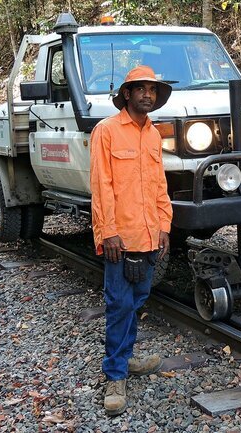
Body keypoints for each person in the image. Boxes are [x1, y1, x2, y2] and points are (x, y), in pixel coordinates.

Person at [90, 65, 173, 415]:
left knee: (138, 300)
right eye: (140, 89)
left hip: (149, 233)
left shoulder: (153, 134)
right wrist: (107, 230)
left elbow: (158, 184)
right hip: (119, 237)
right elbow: (101, 185)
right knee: (119, 304)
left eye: (152, 91)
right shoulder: (106, 131)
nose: (147, 95)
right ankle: (115, 376)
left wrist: (165, 224)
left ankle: (124, 358)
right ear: (127, 93)